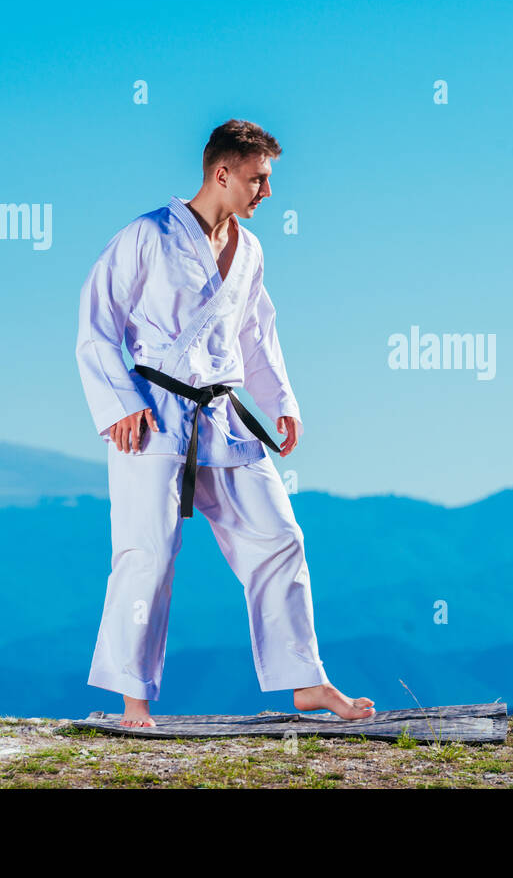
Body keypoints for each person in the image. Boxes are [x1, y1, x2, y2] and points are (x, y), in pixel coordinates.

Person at [75, 119, 374, 728]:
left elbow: (256, 334)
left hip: (224, 416)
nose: (267, 192)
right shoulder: (147, 236)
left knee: (278, 537)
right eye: (259, 179)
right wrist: (120, 403)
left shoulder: (251, 251)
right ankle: (134, 698)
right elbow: (96, 322)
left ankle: (306, 681)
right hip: (153, 417)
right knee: (148, 554)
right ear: (222, 172)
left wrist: (281, 402)